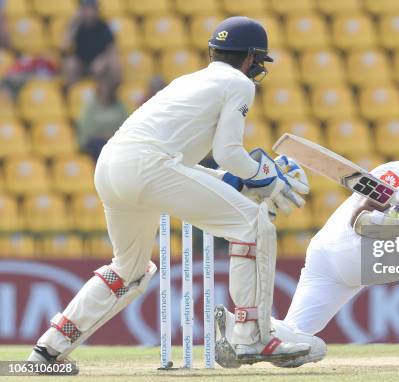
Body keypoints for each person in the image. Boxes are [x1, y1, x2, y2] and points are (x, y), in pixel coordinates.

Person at [28, 16, 312, 366]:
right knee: (253, 224)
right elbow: (228, 151)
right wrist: (268, 177)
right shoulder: (239, 83)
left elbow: (182, 159)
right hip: (150, 167)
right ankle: (250, 337)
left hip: (111, 166)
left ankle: (46, 350)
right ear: (251, 59)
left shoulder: (190, 81)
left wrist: (235, 179)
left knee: (129, 270)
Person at [215, 119, 399, 368]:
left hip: (327, 257)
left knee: (296, 336)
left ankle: (239, 330)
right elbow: (359, 220)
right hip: (356, 249)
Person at [61, 0, 120, 86]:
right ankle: (73, 94)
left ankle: (102, 94)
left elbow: (112, 50)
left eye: (91, 9)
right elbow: (64, 47)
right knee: (70, 64)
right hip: (81, 62)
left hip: (98, 62)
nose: (89, 12)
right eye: (86, 9)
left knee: (110, 64)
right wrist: (73, 24)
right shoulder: (76, 25)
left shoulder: (103, 27)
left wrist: (103, 60)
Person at [77, 77, 128, 160]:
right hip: (96, 144)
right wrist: (106, 135)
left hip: (115, 142)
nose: (106, 93)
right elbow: (87, 130)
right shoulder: (91, 108)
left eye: (109, 90)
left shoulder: (120, 107)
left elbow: (125, 126)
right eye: (104, 90)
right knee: (99, 145)